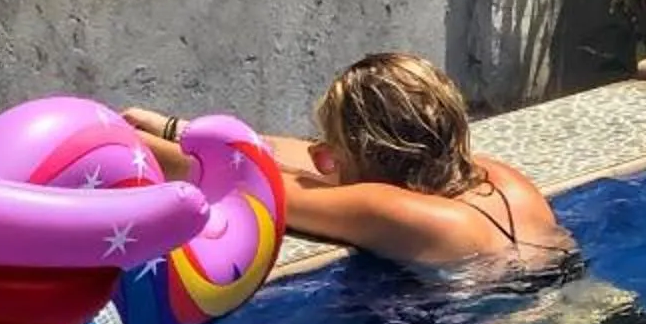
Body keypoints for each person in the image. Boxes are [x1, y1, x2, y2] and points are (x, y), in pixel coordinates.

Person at [122, 52, 575, 275]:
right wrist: (175, 128)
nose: (321, 158)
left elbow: (250, 182)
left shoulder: (390, 212)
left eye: (333, 148)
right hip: (583, 318)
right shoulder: (499, 178)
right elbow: (293, 155)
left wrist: (115, 140)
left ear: (365, 152)